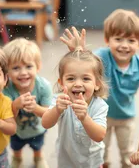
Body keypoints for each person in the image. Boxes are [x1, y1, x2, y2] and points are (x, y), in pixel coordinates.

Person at [61, 9, 139, 168]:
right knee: (101, 149)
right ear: (107, 39)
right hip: (101, 115)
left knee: (127, 150)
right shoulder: (102, 56)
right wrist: (78, 50)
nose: (124, 45)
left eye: (131, 40)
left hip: (125, 117)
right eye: (118, 39)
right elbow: (85, 63)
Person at [41, 37, 109, 167]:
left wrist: (85, 117)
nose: (78, 84)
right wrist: (57, 110)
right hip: (66, 161)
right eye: (71, 78)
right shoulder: (60, 100)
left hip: (92, 162)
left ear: (97, 84)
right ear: (61, 83)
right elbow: (45, 123)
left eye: (86, 79)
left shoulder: (99, 105)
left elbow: (99, 136)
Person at [2, 38, 52, 168]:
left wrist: (35, 108)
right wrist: (15, 106)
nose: (23, 72)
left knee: (38, 145)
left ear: (38, 66)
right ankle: (17, 158)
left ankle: (38, 157)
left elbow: (48, 114)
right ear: (7, 71)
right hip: (16, 131)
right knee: (16, 146)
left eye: (29, 66)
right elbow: (7, 119)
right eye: (16, 68)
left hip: (37, 129)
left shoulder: (44, 87)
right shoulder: (6, 90)